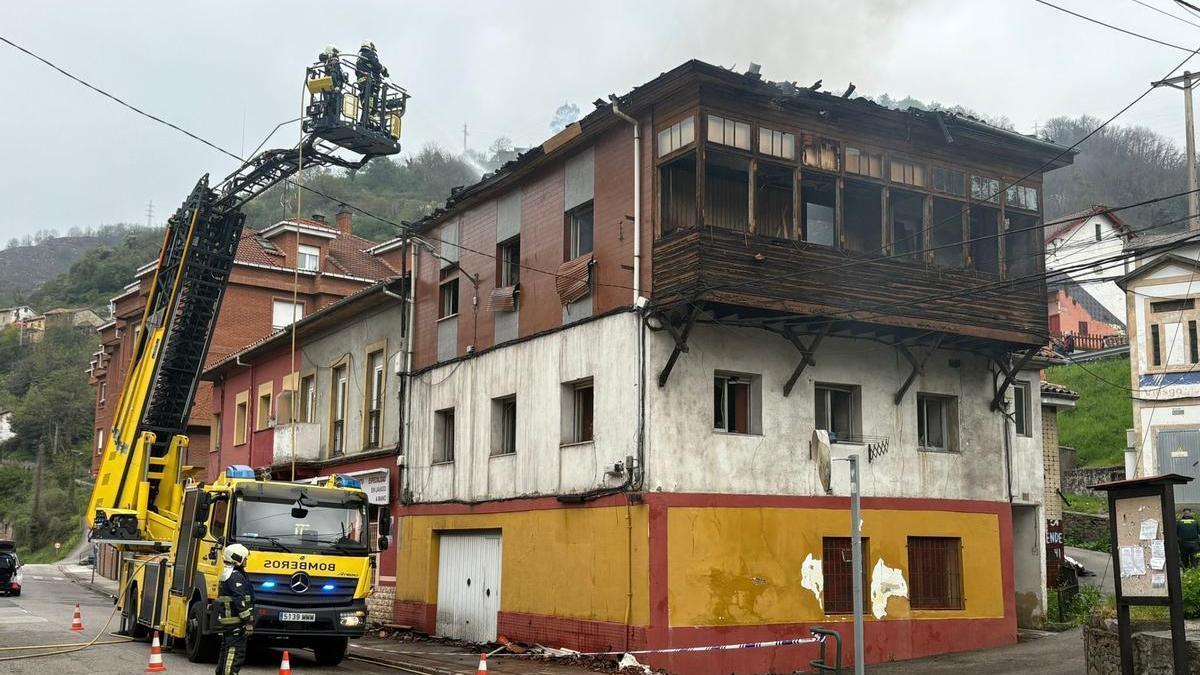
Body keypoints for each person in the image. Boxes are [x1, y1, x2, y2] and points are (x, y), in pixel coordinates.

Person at [215, 544, 254, 675]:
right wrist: (248, 621)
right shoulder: (236, 576)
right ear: (237, 558)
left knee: (226, 651)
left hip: (229, 623)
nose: (246, 561)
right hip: (236, 624)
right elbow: (240, 601)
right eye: (245, 558)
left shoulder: (227, 574)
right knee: (235, 654)